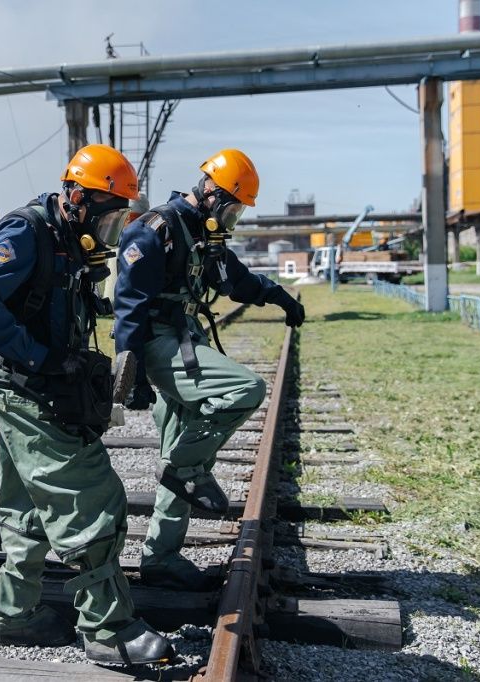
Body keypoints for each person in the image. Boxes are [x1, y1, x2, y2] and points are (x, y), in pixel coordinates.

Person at [0, 144, 174, 665]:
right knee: (93, 498)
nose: (115, 229)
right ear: (78, 198)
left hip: (31, 386)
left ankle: (12, 614)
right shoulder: (26, 233)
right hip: (27, 389)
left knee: (26, 504)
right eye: (111, 216)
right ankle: (108, 629)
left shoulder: (68, 238)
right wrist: (42, 358)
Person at [113, 149, 305, 590]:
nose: (233, 220)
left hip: (185, 339)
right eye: (234, 209)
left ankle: (160, 557)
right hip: (160, 343)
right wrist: (135, 374)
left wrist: (279, 297)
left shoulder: (202, 231)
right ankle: (185, 468)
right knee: (246, 389)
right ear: (213, 194)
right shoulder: (154, 230)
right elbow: (130, 309)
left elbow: (235, 280)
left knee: (179, 451)